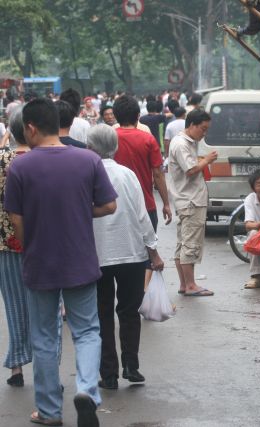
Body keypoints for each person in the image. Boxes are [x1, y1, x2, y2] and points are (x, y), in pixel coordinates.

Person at [5, 98, 117, 426]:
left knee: (43, 337)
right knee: (86, 331)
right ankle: (86, 390)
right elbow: (109, 205)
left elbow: (15, 217)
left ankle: (51, 411)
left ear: (30, 128)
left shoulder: (20, 166)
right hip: (79, 259)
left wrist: (31, 244)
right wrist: (82, 211)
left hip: (39, 262)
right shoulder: (87, 160)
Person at [87, 124, 164, 391]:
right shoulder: (127, 174)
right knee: (129, 311)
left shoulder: (86, 174)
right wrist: (152, 250)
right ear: (115, 147)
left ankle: (108, 374)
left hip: (96, 255)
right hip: (131, 252)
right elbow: (141, 214)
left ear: (89, 147)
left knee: (103, 313)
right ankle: (131, 365)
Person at [167, 109, 217, 296]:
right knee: (190, 244)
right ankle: (190, 285)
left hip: (188, 199)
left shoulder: (186, 142)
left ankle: (184, 284)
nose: (204, 134)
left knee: (183, 243)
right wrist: (207, 160)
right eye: (203, 129)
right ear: (192, 125)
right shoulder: (181, 144)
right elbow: (191, 170)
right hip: (191, 201)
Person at [0, 107, 31, 388]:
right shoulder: (44, 160)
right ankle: (48, 371)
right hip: (45, 244)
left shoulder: (1, 160)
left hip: (5, 244)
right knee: (48, 310)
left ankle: (17, 367)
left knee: (14, 305)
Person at [112, 94, 172, 230]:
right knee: (149, 249)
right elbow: (158, 174)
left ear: (115, 116)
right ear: (138, 116)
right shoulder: (148, 139)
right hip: (145, 204)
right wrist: (166, 203)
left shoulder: (109, 138)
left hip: (117, 206)